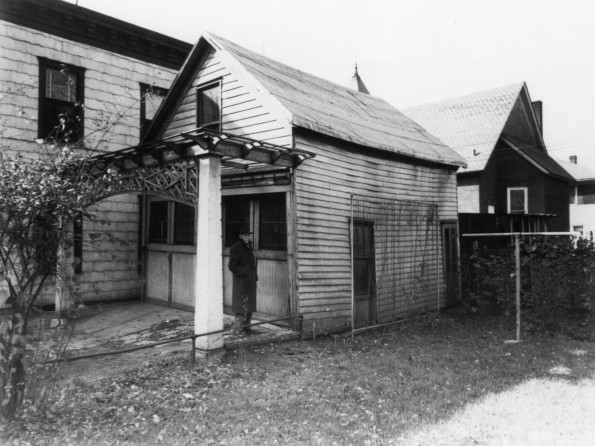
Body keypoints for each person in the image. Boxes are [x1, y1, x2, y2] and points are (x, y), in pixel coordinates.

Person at [228, 233, 258, 337]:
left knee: (249, 306)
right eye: (245, 236)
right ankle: (238, 330)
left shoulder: (249, 247)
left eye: (249, 236)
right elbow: (232, 265)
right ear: (240, 236)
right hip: (241, 282)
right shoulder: (236, 247)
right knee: (240, 307)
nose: (248, 238)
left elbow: (252, 264)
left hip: (250, 281)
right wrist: (244, 273)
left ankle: (247, 328)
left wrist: (254, 276)